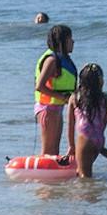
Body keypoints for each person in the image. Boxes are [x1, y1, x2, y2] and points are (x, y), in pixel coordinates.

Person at [34, 25, 78, 157]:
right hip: (47, 109)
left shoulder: (62, 59)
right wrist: (64, 98)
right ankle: (41, 176)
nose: (73, 42)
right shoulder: (52, 60)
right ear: (61, 42)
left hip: (56, 109)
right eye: (70, 39)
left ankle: (55, 177)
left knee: (55, 151)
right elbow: (39, 86)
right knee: (49, 151)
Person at [69, 63, 107, 179]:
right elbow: (104, 122)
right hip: (99, 139)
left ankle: (89, 196)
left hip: (84, 139)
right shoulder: (106, 99)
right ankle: (95, 196)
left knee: (84, 177)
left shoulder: (75, 98)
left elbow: (70, 124)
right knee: (86, 171)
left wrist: (72, 146)